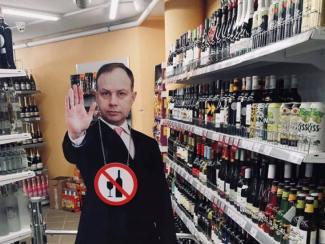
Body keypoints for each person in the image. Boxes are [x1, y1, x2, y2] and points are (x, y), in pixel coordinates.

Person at [62, 63, 177, 244]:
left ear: (133, 97)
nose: (113, 101)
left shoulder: (148, 145)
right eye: (105, 93)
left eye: (121, 93)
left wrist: (169, 239)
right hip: (98, 236)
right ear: (96, 97)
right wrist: (75, 135)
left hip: (143, 237)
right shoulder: (87, 138)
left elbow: (161, 201)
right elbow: (72, 153)